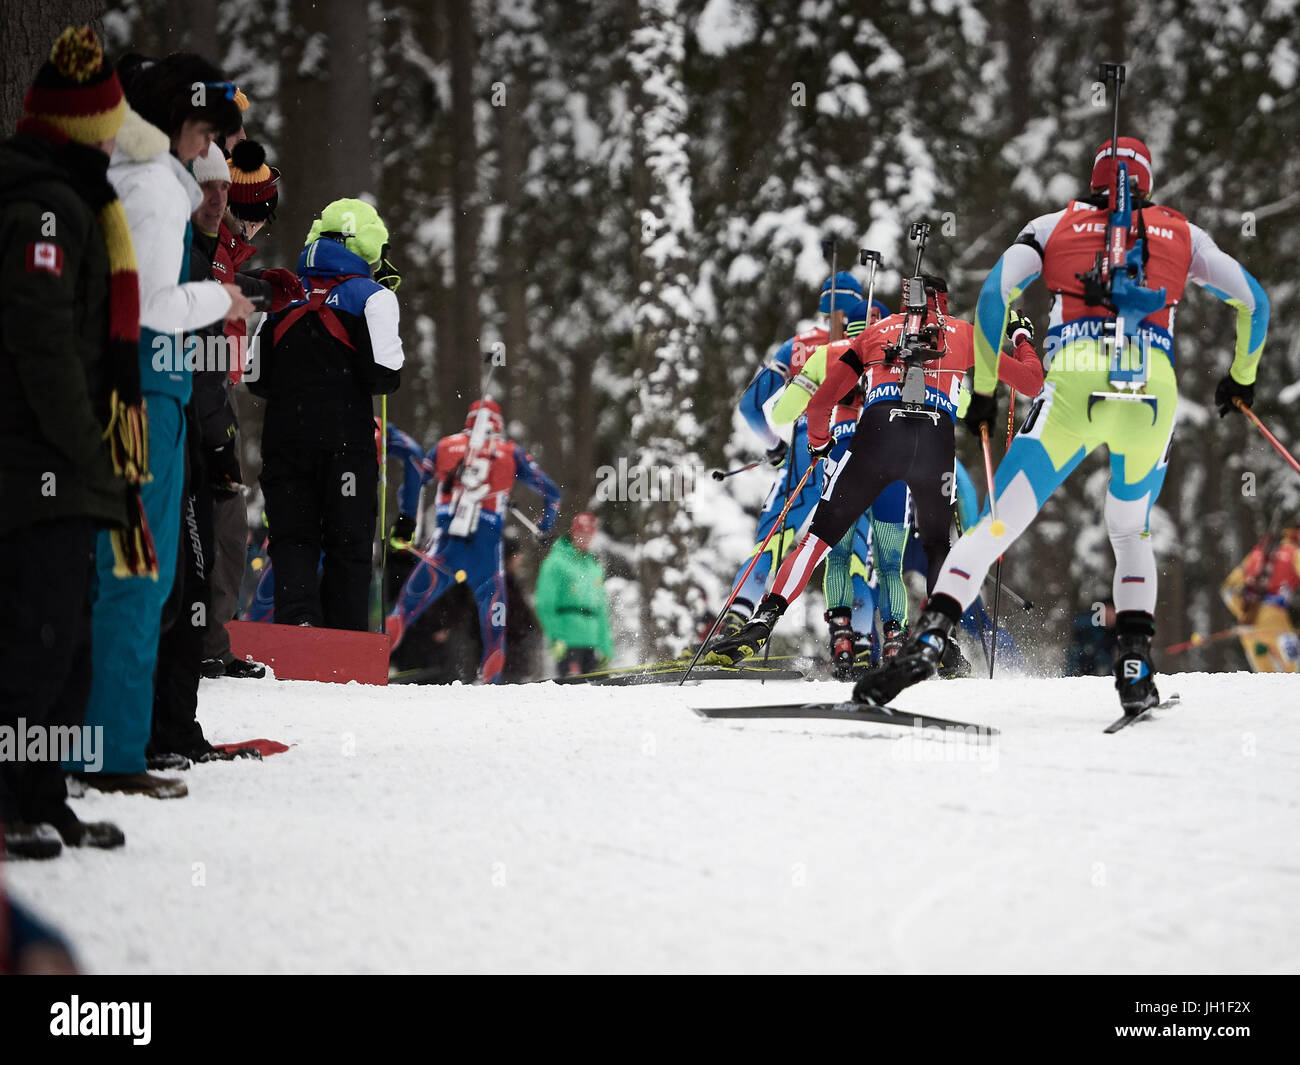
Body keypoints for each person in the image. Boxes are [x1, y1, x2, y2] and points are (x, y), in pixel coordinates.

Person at [856, 136, 1270, 717]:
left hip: (1073, 377)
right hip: (1150, 387)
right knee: (1130, 533)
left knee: (997, 525)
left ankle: (929, 640)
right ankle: (1133, 668)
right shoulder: (1184, 232)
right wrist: (1241, 377)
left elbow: (996, 294)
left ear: (1094, 177)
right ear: (1148, 182)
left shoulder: (1052, 226)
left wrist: (981, 393)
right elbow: (1254, 301)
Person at [63, 51, 252, 799]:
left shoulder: (148, 183)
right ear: (176, 121)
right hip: (144, 392)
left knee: (138, 574)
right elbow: (147, 306)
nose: (208, 151)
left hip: (148, 392)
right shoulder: (154, 191)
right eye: (204, 133)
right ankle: (111, 750)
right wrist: (223, 303)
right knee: (137, 575)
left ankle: (105, 739)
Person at [706, 277, 1043, 669]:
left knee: (819, 541)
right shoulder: (964, 334)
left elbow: (818, 407)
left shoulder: (874, 333)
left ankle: (764, 619)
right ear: (944, 303)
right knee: (937, 545)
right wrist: (1020, 335)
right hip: (934, 443)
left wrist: (819, 444)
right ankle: (941, 641)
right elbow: (1032, 382)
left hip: (877, 437)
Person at [0, 26, 144, 855]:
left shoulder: (76, 198)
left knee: (67, 642)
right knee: (34, 641)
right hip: (37, 464)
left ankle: (44, 793)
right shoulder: (46, 207)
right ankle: (13, 797)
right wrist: (87, 448)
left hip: (62, 466)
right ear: (87, 125)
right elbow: (40, 342)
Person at [252, 198, 404, 630]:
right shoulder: (373, 297)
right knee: (349, 545)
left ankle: (297, 631)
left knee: (292, 540)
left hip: (283, 441)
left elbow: (254, 377)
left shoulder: (281, 294)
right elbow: (385, 376)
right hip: (345, 444)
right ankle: (344, 649)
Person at [710, 272, 863, 645]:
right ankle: (856, 639)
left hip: (805, 460)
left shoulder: (799, 347)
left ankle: (737, 617)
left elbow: (750, 405)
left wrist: (774, 445)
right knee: (856, 550)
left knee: (774, 540)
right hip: (855, 458)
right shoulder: (873, 346)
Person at [200, 137, 300, 677]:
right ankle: (206, 645)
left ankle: (209, 642)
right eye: (258, 215)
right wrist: (257, 290)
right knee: (225, 525)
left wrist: (257, 284)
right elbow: (210, 292)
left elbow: (223, 283)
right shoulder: (212, 244)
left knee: (226, 526)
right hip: (202, 393)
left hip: (215, 388)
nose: (259, 227)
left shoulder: (224, 250)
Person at [767, 296, 902, 674]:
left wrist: (813, 387)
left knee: (838, 554)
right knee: (879, 559)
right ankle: (876, 642)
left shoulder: (830, 353)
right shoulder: (897, 355)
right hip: (888, 464)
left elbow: (782, 413)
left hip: (841, 464)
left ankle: (844, 642)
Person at [386, 399, 561, 684]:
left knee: (405, 609)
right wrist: (545, 526)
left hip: (447, 542)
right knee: (492, 609)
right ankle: (491, 675)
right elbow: (551, 493)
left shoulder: (445, 446)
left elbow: (415, 478)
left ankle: (377, 653)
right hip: (486, 545)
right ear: (498, 425)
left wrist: (408, 521)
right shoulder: (508, 451)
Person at [536, 512, 616, 677]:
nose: (585, 538)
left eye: (589, 534)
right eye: (581, 533)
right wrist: (555, 636)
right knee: (571, 693)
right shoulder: (556, 562)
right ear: (573, 533)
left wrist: (606, 645)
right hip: (567, 640)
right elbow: (545, 603)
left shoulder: (593, 566)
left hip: (592, 641)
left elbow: (600, 608)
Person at [1221, 526, 1300, 673]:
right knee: (1295, 675)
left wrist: (1244, 614)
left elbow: (1227, 590)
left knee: (1265, 680)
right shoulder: (1294, 554)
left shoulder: (1258, 553)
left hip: (1249, 627)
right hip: (1276, 623)